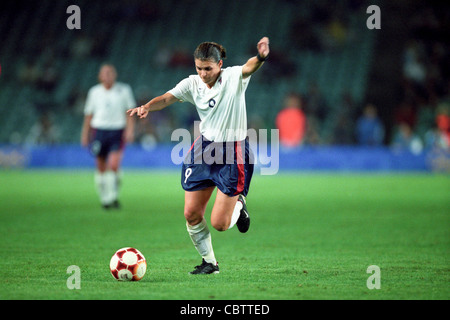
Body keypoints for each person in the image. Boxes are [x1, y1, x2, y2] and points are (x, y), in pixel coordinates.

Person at [127, 37, 270, 274]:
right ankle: (210, 263)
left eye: (208, 69)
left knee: (220, 224)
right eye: (199, 68)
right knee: (191, 214)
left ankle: (240, 204)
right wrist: (147, 107)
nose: (203, 74)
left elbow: (250, 66)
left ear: (220, 64)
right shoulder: (192, 83)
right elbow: (165, 98)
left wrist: (262, 56)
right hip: (204, 149)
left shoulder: (233, 77)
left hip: (233, 150)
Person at [81, 63, 136, 209]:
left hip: (117, 131)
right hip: (99, 131)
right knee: (100, 166)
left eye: (110, 72)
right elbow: (88, 115)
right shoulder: (94, 92)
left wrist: (130, 130)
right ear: (99, 76)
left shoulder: (124, 90)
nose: (107, 75)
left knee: (113, 165)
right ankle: (104, 198)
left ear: (115, 75)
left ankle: (113, 197)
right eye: (104, 73)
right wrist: (85, 134)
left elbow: (130, 112)